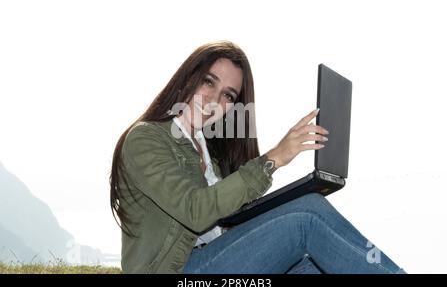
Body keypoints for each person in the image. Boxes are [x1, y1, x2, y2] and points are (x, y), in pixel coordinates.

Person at [109, 41, 406, 274]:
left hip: (218, 263)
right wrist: (273, 159)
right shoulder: (145, 139)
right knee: (305, 219)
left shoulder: (210, 154)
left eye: (227, 95)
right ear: (188, 79)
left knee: (315, 261)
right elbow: (194, 211)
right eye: (208, 82)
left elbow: (225, 224)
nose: (214, 100)